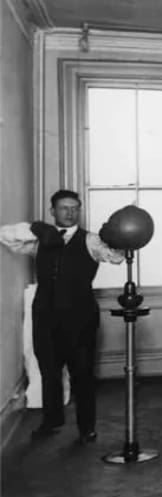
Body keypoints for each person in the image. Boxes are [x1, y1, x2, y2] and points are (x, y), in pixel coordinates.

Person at [0, 190, 124, 444]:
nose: (70, 213)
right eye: (64, 208)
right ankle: (52, 420)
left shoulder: (90, 241)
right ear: (52, 211)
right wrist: (37, 228)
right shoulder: (38, 239)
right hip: (45, 316)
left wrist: (117, 236)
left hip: (80, 317)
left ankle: (86, 427)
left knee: (82, 373)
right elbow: (5, 235)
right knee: (49, 371)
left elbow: (117, 257)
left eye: (75, 208)